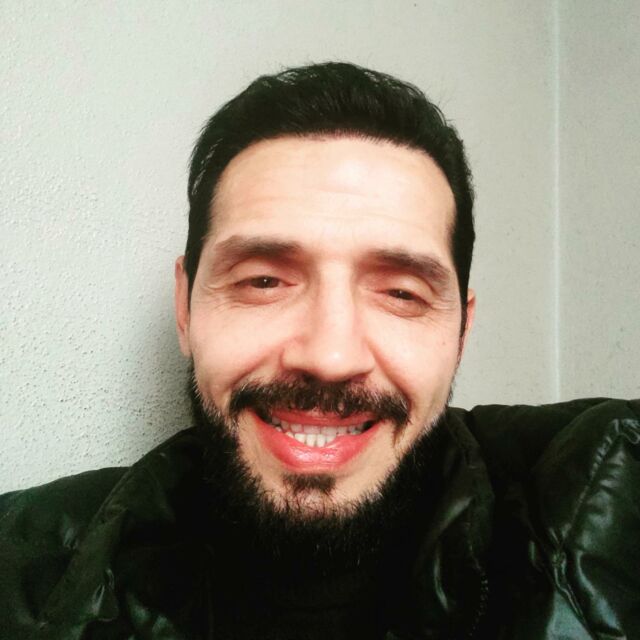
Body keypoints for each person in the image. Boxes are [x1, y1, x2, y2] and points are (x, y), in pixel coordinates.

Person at [1, 62, 638, 640]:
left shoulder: (605, 511)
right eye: (263, 281)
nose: (330, 356)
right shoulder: (18, 565)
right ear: (185, 308)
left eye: (401, 293)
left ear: (460, 332)